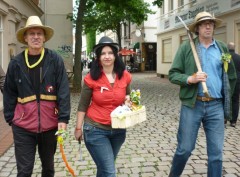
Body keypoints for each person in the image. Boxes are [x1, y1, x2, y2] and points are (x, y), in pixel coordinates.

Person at [168, 12, 236, 177]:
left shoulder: (221, 48)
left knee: (216, 155)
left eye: (210, 23)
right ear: (197, 28)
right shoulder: (187, 47)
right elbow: (173, 74)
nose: (208, 26)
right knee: (184, 149)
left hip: (215, 106)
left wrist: (226, 98)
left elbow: (232, 76)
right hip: (193, 104)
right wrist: (190, 79)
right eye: (204, 24)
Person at [3, 16, 70, 177]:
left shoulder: (55, 60)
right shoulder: (16, 63)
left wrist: (63, 119)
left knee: (48, 169)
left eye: (39, 33)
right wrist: (11, 119)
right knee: (24, 171)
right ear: (25, 38)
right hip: (23, 127)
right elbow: (9, 92)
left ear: (44, 37)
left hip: (49, 126)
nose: (36, 37)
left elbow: (63, 90)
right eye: (31, 33)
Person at [74, 36, 132, 177]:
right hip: (95, 129)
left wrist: (128, 101)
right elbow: (83, 105)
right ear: (98, 57)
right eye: (103, 53)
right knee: (109, 171)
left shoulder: (125, 76)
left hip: (118, 130)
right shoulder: (91, 78)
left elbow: (128, 97)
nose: (107, 56)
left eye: (110, 53)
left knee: (105, 168)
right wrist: (78, 128)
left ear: (115, 55)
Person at [228, 42, 240, 127]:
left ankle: (225, 118)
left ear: (227, 47)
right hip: (237, 81)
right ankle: (233, 121)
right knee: (235, 100)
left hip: (227, 81)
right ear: (234, 48)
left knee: (226, 99)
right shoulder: (239, 57)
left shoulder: (225, 57)